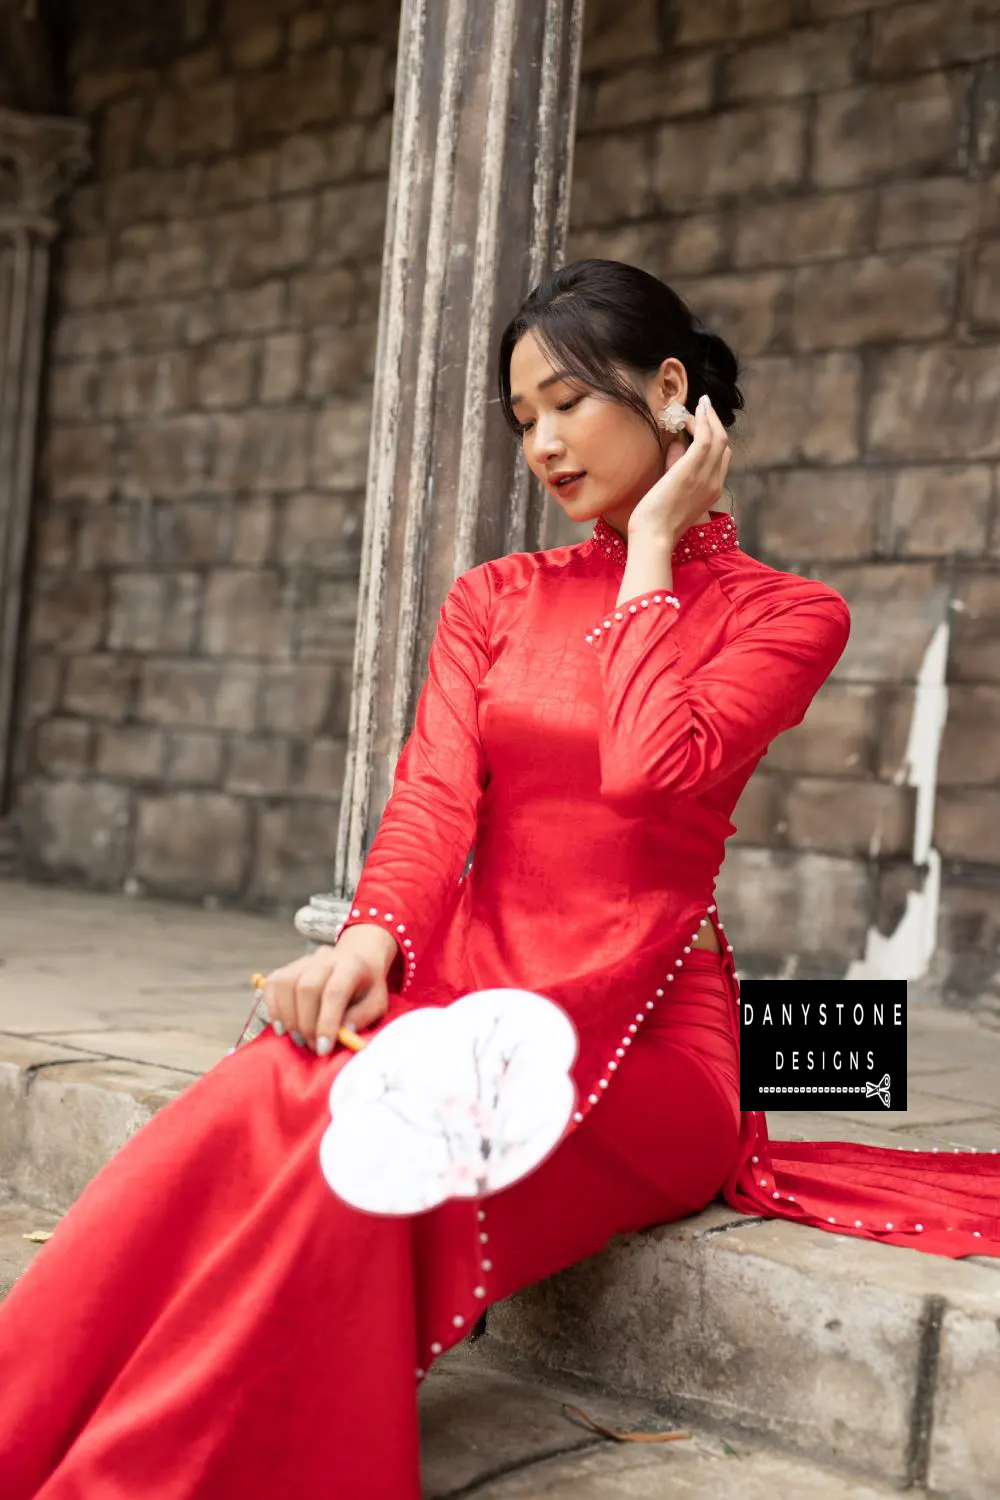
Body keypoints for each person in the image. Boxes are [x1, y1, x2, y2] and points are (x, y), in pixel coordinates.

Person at [0, 259, 996, 1499]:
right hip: (474, 995)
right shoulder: (496, 597)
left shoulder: (786, 615)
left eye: (567, 402)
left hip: (647, 1040)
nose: (543, 443)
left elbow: (647, 771)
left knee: (372, 1153)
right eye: (521, 419)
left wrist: (646, 553)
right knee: (256, 1095)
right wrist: (369, 939)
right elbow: (431, 801)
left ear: (669, 390)